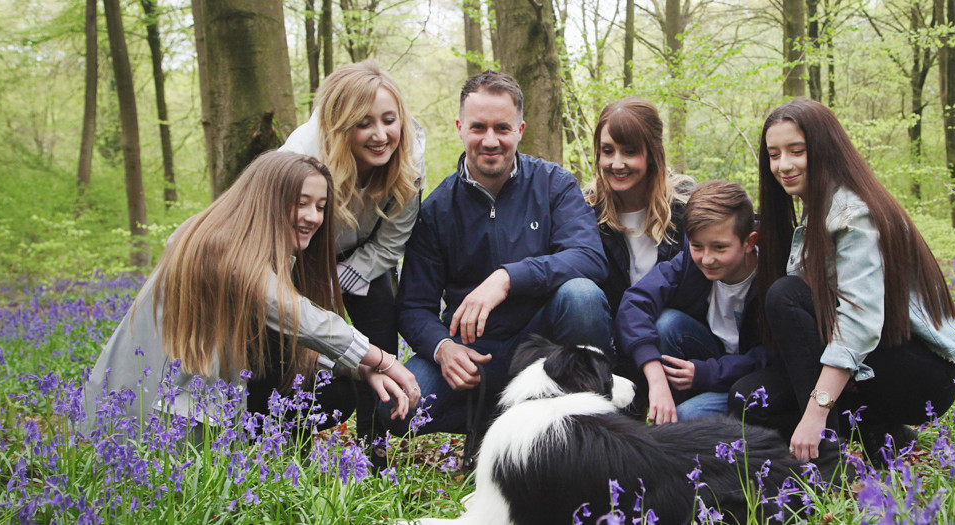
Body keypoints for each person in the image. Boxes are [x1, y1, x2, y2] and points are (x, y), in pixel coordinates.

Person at [82, 152, 421, 438]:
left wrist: (359, 369)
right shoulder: (219, 246)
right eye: (300, 203)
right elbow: (295, 315)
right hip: (150, 418)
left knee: (334, 387)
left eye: (320, 207)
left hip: (201, 402)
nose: (312, 217)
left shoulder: (259, 249)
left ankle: (270, 456)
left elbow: (285, 340)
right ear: (265, 200)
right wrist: (382, 359)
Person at [728, 98, 955, 466]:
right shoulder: (812, 209)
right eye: (774, 154)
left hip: (921, 371)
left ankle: (828, 456)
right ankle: (886, 434)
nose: (784, 165)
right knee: (749, 398)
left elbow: (858, 322)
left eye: (797, 151)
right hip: (874, 361)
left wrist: (816, 413)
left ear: (824, 149)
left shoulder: (854, 214)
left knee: (786, 296)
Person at [389, 70, 610, 441]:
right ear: (460, 127)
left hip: (545, 345)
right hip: (476, 353)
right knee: (401, 408)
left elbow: (589, 257)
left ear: (520, 130)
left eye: (502, 128)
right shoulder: (437, 209)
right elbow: (413, 306)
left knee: (583, 297)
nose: (490, 140)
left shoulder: (554, 184)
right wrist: (444, 349)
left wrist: (508, 278)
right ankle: (503, 417)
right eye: (478, 128)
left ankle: (587, 428)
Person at [279, 60, 425, 446]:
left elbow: (393, 238)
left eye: (389, 120)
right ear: (340, 126)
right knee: (298, 344)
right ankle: (294, 446)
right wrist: (317, 282)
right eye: (364, 124)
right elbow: (278, 244)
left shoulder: (410, 159)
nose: (381, 135)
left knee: (379, 332)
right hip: (301, 255)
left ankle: (375, 446)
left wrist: (347, 274)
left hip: (367, 253)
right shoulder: (299, 157)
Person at [615, 181, 769, 424]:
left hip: (751, 379)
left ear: (749, 242)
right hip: (709, 362)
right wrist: (656, 379)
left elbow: (772, 357)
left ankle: (682, 420)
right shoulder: (690, 262)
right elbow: (635, 301)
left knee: (688, 418)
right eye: (697, 246)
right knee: (668, 323)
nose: (707, 259)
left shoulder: (771, 275)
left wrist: (708, 374)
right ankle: (668, 410)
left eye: (720, 247)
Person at [583, 97, 693, 315]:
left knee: (668, 322)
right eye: (607, 151)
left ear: (652, 153)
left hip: (664, 328)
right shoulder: (586, 207)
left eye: (629, 151)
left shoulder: (684, 203)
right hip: (607, 329)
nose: (616, 164)